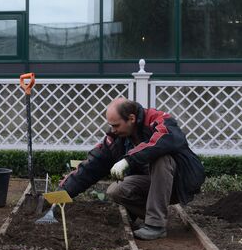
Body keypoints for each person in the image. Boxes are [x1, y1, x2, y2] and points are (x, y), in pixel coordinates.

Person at [60, 98, 205, 240]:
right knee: (115, 190)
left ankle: (156, 226)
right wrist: (61, 193)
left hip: (179, 183)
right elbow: (91, 167)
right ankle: (155, 215)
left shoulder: (157, 119)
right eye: (111, 125)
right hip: (151, 185)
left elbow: (166, 139)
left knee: (161, 158)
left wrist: (129, 159)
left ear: (131, 118)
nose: (113, 130)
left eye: (116, 125)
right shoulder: (116, 139)